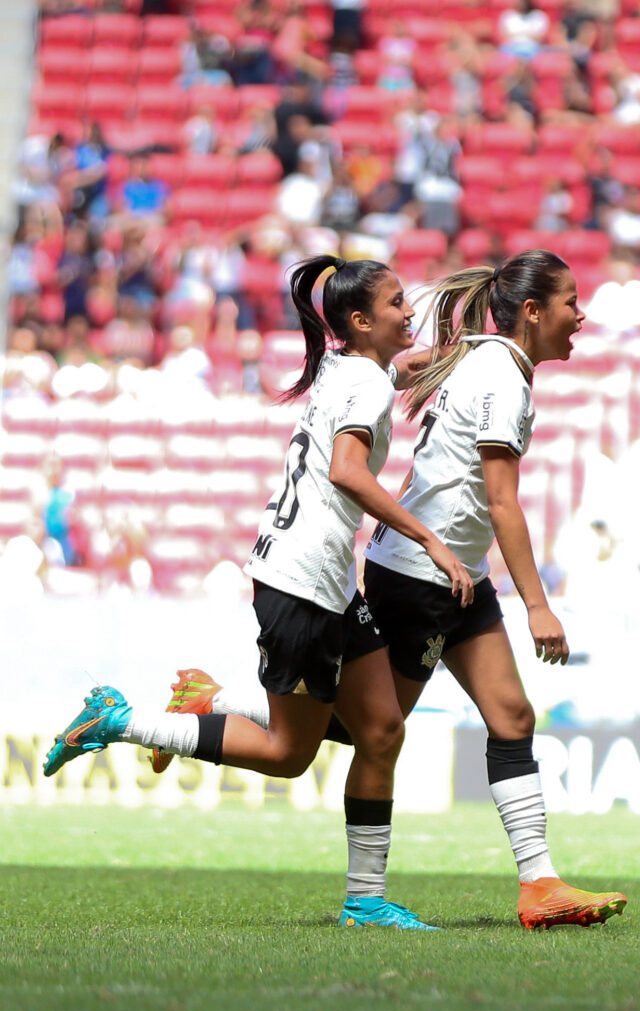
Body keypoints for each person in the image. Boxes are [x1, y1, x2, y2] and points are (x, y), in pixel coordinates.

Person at [42, 255, 475, 931]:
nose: (408, 312)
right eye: (396, 304)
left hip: (321, 581)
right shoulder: (363, 382)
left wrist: (463, 354)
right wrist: (431, 540)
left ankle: (364, 898)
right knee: (289, 754)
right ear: (360, 321)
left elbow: (398, 370)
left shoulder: (350, 367)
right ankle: (120, 721)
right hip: (302, 585)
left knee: (382, 729)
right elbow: (348, 472)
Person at [362, 249, 628, 930]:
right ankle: (207, 711)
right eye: (571, 301)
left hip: (458, 577)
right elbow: (503, 503)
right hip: (421, 578)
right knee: (354, 730)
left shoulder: (487, 359)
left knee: (511, 716)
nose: (581, 314)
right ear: (533, 311)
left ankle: (539, 886)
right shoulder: (503, 379)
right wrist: (539, 606)